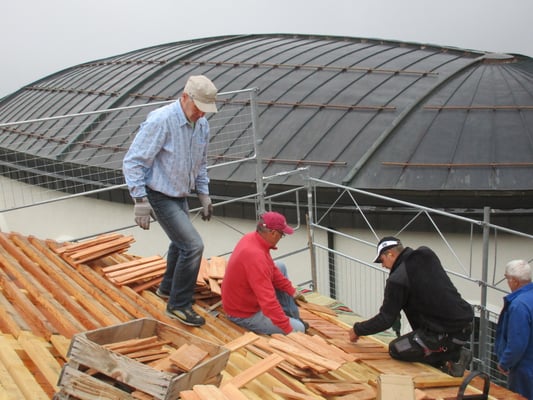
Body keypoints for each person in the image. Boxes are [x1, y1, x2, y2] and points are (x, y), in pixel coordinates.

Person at [122, 75, 218, 327]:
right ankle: (179, 305)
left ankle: (167, 289)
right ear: (185, 97)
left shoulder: (201, 125)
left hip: (180, 193)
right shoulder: (161, 120)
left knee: (180, 243)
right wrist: (140, 199)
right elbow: (133, 161)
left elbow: (201, 162)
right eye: (198, 108)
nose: (201, 114)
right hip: (158, 193)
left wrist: (203, 192)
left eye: (206, 110)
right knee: (193, 246)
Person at [349, 236, 474, 377]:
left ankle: (455, 356)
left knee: (396, 348)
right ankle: (446, 356)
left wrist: (357, 330)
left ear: (390, 254)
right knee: (418, 338)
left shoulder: (397, 280)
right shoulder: (426, 254)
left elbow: (385, 319)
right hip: (464, 325)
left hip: (444, 333)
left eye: (381, 260)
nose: (383, 265)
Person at [221, 211, 307, 335]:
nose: (281, 238)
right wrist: (289, 330)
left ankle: (292, 316)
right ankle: (293, 322)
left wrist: (291, 290)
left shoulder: (252, 238)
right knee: (299, 329)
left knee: (280, 266)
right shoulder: (256, 257)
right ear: (273, 233)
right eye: (281, 235)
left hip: (241, 299)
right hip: (243, 313)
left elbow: (271, 268)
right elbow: (268, 301)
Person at [495, 259, 533, 399]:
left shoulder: (519, 305)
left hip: (524, 369)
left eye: (507, 278)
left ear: (514, 281)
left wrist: (504, 363)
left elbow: (517, 342)